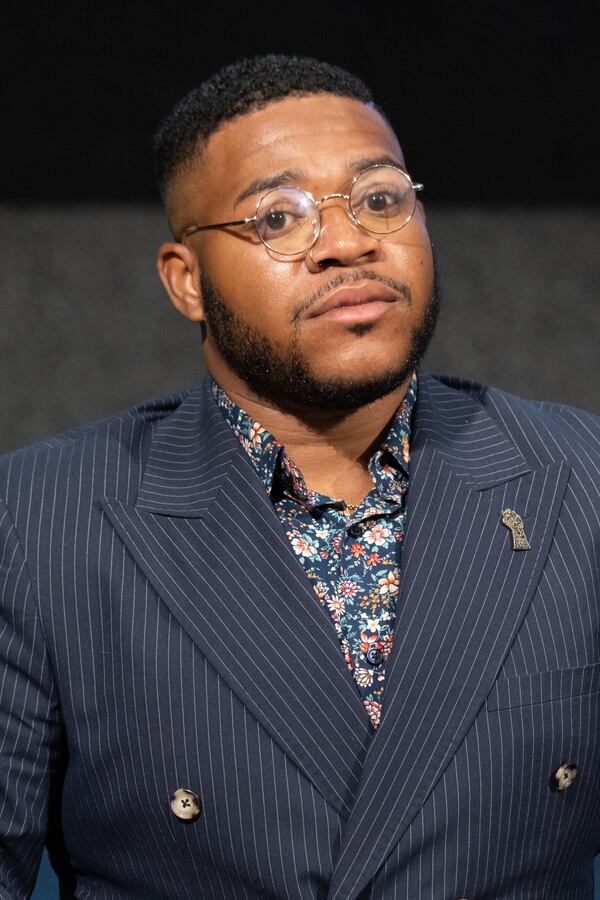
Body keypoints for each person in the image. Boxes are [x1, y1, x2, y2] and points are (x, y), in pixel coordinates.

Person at [1, 54, 599, 900]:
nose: (348, 243)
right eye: (278, 218)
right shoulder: (38, 522)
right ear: (186, 282)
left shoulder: (580, 481)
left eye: (381, 199)